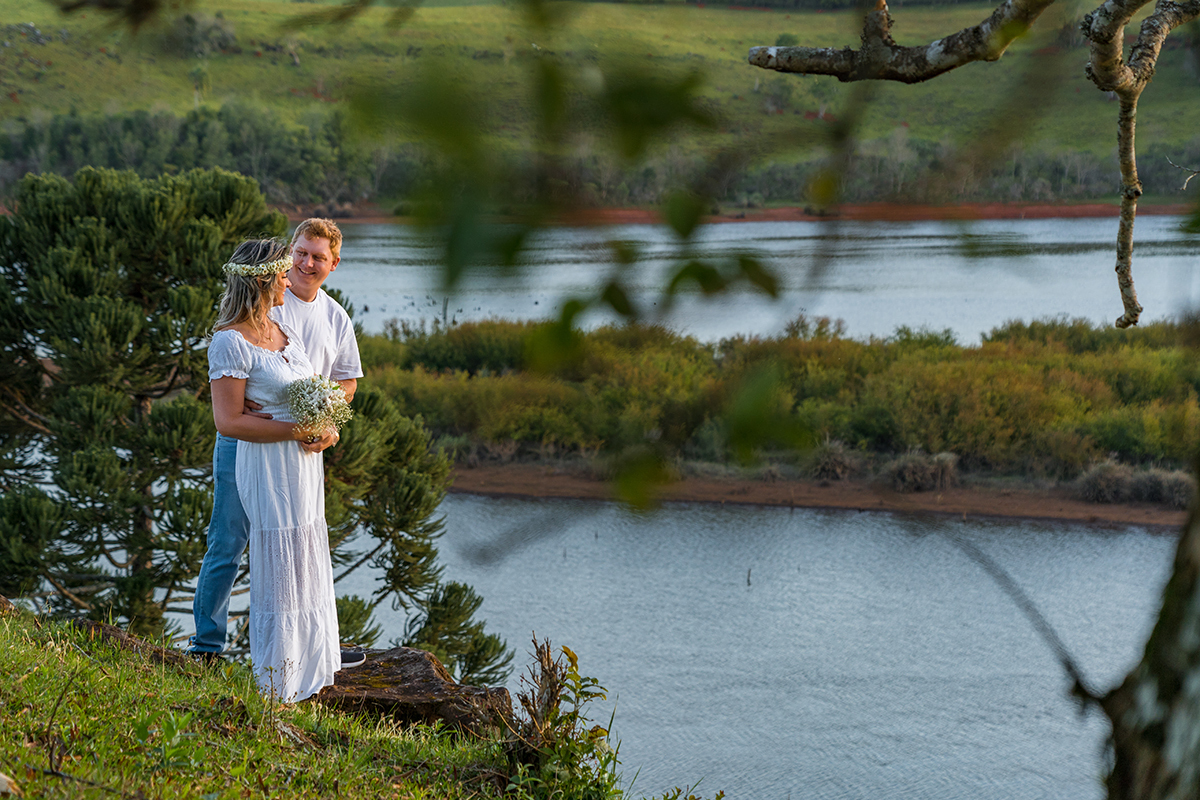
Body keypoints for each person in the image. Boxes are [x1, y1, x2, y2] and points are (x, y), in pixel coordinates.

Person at [191, 219, 364, 669]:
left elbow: (345, 380)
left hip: (302, 449)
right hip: (249, 441)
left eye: (317, 257)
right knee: (228, 541)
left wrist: (327, 422)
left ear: (333, 264)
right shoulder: (264, 305)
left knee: (301, 541)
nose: (305, 264)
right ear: (283, 259)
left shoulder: (334, 316)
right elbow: (234, 384)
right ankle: (207, 646)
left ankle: (308, 644)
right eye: (299, 253)